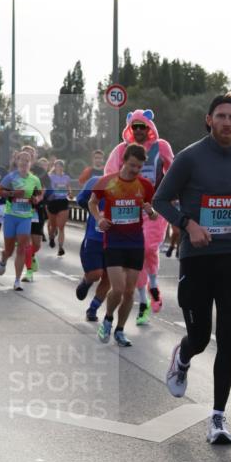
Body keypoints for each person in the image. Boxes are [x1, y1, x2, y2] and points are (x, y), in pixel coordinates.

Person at [153, 92, 231, 445]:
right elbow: (159, 199)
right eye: (221, 116)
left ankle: (218, 418)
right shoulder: (189, 158)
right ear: (209, 119)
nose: (227, 122)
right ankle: (182, 357)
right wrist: (189, 225)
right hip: (197, 258)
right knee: (201, 337)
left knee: (228, 340)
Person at [104, 109, 173, 323]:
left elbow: (174, 170)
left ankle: (153, 284)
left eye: (143, 126)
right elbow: (109, 176)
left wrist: (172, 196)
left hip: (155, 207)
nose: (140, 130)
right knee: (138, 253)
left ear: (150, 128)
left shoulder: (161, 147)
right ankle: (144, 300)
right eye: (135, 127)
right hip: (130, 209)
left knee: (149, 248)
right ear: (129, 128)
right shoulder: (121, 149)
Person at [87, 144, 157, 346]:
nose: (135, 170)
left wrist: (150, 211)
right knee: (117, 288)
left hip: (135, 243)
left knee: (129, 292)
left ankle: (119, 330)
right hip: (114, 241)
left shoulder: (145, 185)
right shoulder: (107, 181)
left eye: (139, 167)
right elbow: (92, 202)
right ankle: (108, 320)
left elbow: (153, 215)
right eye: (132, 165)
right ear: (124, 160)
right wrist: (99, 218)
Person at [0, 152, 43, 290]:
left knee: (21, 248)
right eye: (22, 160)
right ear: (17, 161)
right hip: (11, 216)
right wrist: (12, 193)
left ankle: (17, 281)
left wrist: (36, 199)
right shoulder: (11, 177)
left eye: (27, 161)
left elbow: (39, 195)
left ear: (31, 163)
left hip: (26, 217)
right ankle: (4, 258)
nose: (24, 163)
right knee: (9, 250)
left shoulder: (34, 179)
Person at [75, 174, 110, 321]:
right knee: (96, 274)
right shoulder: (96, 181)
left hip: (116, 241)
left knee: (110, 279)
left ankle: (93, 309)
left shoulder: (132, 185)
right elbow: (81, 199)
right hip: (95, 237)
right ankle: (87, 281)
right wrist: (97, 213)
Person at [45, 159, 73, 254]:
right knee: (53, 226)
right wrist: (48, 195)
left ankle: (60, 248)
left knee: (61, 227)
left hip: (63, 202)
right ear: (54, 166)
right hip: (52, 202)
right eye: (57, 165)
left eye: (61, 165)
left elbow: (69, 188)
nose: (59, 167)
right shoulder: (50, 177)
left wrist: (70, 193)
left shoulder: (66, 177)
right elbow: (46, 188)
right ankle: (52, 237)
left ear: (62, 167)